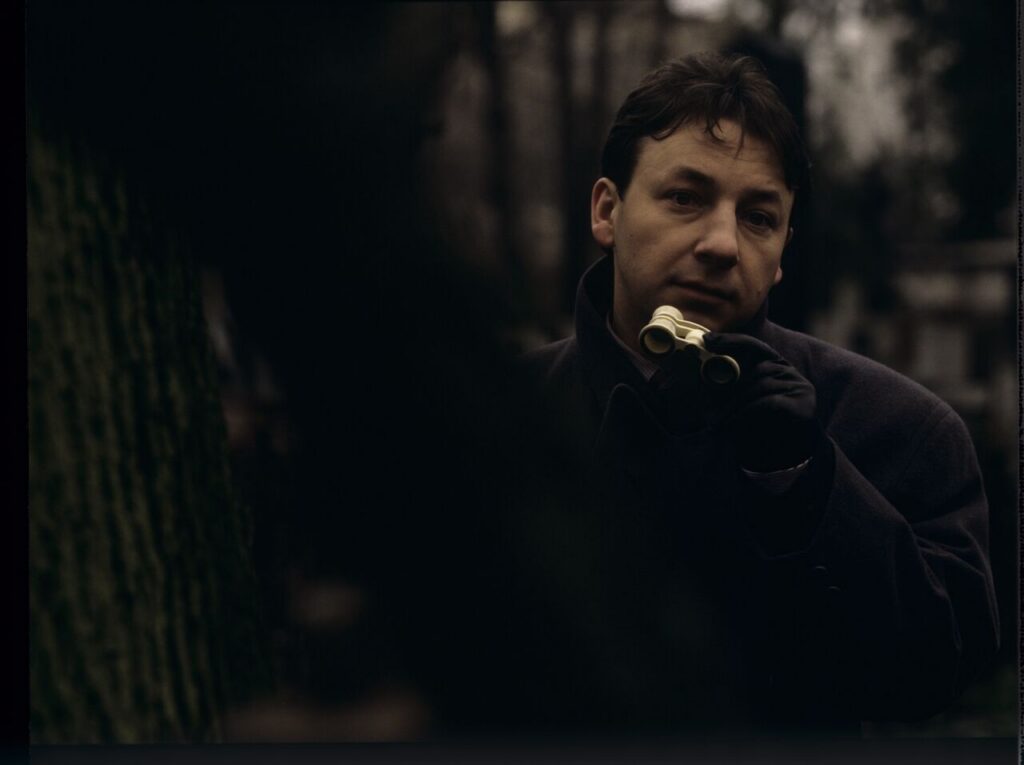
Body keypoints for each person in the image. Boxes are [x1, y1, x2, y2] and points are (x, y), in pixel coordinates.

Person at [519, 51, 999, 735]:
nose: (721, 243)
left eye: (758, 217)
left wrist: (812, 486)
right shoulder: (503, 411)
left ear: (780, 257)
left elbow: (938, 672)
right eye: (685, 197)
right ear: (607, 211)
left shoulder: (903, 429)